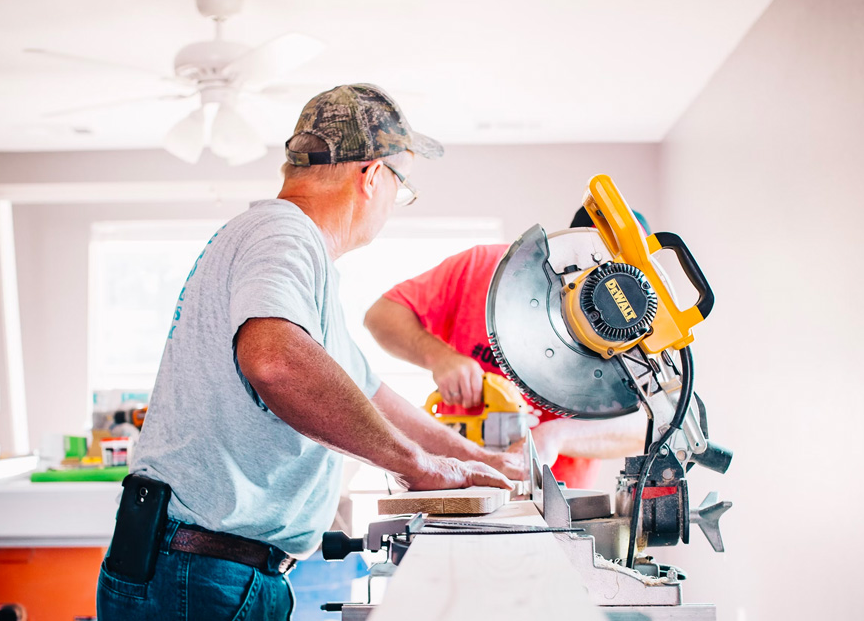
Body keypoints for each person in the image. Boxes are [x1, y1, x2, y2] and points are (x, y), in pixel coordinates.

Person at [97, 84, 524, 621]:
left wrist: (473, 459)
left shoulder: (285, 250)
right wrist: (417, 466)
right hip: (201, 573)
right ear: (371, 175)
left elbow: (372, 394)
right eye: (402, 184)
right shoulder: (284, 233)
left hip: (205, 568)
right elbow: (275, 362)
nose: (397, 201)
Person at [363, 208, 650, 489]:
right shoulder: (484, 267)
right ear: (567, 243)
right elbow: (382, 315)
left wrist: (556, 435)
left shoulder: (634, 331)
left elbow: (646, 427)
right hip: (455, 480)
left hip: (554, 499)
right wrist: (439, 357)